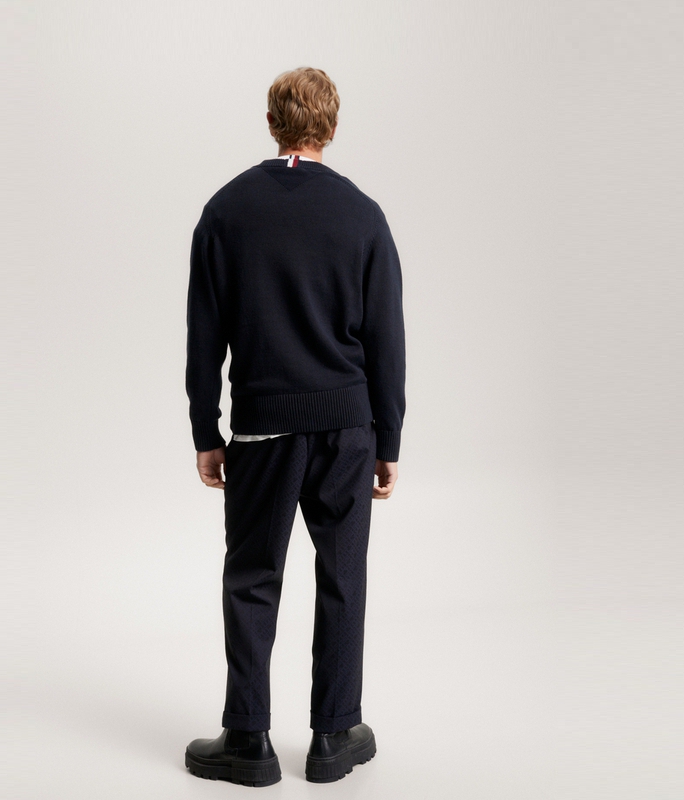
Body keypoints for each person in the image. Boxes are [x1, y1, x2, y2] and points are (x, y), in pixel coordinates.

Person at [184, 66, 406, 786]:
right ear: (331, 127)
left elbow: (204, 337)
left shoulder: (226, 211)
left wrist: (207, 431)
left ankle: (248, 740)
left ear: (272, 122)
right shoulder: (363, 215)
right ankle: (335, 735)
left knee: (253, 576)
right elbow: (386, 339)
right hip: (347, 426)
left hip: (262, 429)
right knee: (343, 576)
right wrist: (388, 439)